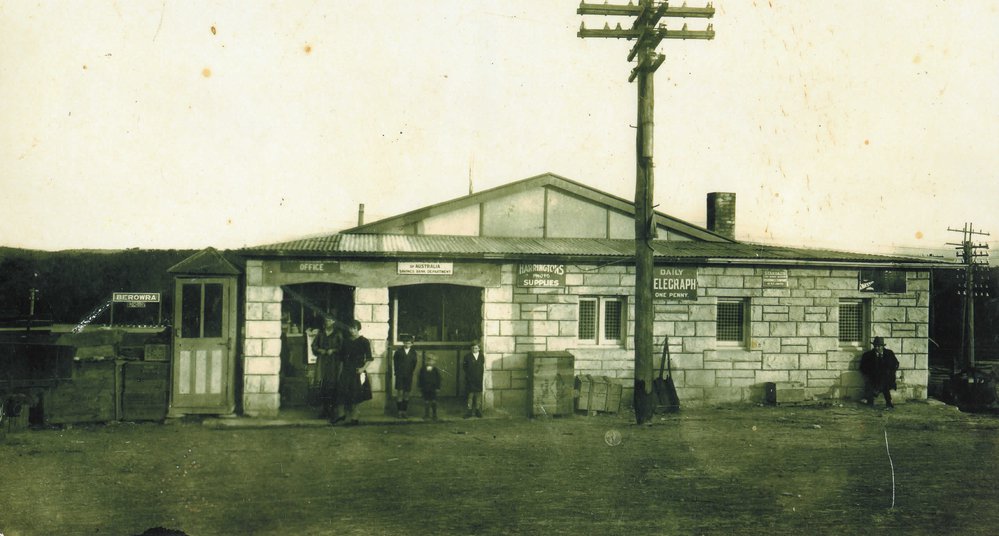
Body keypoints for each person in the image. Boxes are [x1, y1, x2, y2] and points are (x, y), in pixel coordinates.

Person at [337, 319, 373, 425]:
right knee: (341, 392)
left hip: (358, 370)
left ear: (358, 329)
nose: (352, 330)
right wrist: (340, 372)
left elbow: (369, 358)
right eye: (350, 328)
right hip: (346, 370)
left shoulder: (364, 341)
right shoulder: (345, 341)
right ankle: (341, 415)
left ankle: (355, 417)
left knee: (356, 395)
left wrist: (362, 369)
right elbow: (341, 359)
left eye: (354, 328)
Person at [310, 313, 343, 421]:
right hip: (322, 362)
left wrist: (333, 350)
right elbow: (314, 345)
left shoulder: (338, 334)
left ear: (333, 322)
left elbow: (342, 347)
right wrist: (320, 350)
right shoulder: (321, 333)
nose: (327, 322)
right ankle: (324, 410)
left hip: (334, 363)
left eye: (329, 320)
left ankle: (333, 411)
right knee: (322, 385)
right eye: (326, 320)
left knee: (333, 385)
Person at [859, 336, 899, 409]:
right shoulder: (868, 355)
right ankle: (889, 403)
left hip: (888, 378)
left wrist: (890, 371)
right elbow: (862, 368)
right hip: (874, 379)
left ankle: (876, 391)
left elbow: (896, 364)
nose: (877, 348)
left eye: (879, 346)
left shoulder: (889, 353)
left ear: (883, 346)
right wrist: (871, 373)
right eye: (875, 346)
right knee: (883, 381)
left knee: (884, 378)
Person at [392, 336, 418, 418]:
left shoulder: (413, 353)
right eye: (406, 342)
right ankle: (399, 412)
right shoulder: (398, 352)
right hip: (400, 375)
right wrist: (397, 372)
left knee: (406, 394)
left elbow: (414, 364)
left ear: (412, 344)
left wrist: (410, 372)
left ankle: (404, 411)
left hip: (408, 375)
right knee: (400, 393)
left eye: (409, 343)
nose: (407, 344)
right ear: (403, 343)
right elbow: (395, 363)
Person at [462, 342, 485, 418]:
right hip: (470, 379)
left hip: (478, 379)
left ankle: (478, 410)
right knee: (470, 395)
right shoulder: (467, 357)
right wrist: (469, 375)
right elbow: (464, 367)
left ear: (479, 348)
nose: (474, 349)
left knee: (478, 395)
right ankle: (469, 410)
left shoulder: (481, 356)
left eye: (476, 348)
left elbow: (482, 366)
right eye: (472, 348)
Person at [418, 354, 442, 421]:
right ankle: (427, 414)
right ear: (426, 361)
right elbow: (420, 378)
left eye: (432, 361)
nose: (430, 362)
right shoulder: (422, 369)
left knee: (434, 401)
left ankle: (434, 415)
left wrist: (438, 387)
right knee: (426, 401)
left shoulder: (435, 370)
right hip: (425, 388)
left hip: (433, 388)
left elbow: (438, 379)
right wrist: (420, 387)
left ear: (434, 362)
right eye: (429, 360)